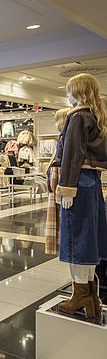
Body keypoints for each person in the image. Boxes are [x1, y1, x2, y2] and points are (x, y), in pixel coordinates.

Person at [55, 73, 107, 318]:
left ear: (79, 91)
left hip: (77, 181)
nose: (67, 95)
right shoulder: (96, 116)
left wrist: (66, 186)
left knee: (76, 238)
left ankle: (80, 294)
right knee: (89, 237)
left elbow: (72, 155)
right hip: (92, 182)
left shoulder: (77, 117)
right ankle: (90, 295)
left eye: (70, 90)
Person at [44, 108, 69, 255]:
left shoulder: (64, 140)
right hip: (56, 190)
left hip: (59, 190)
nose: (55, 124)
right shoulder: (62, 139)